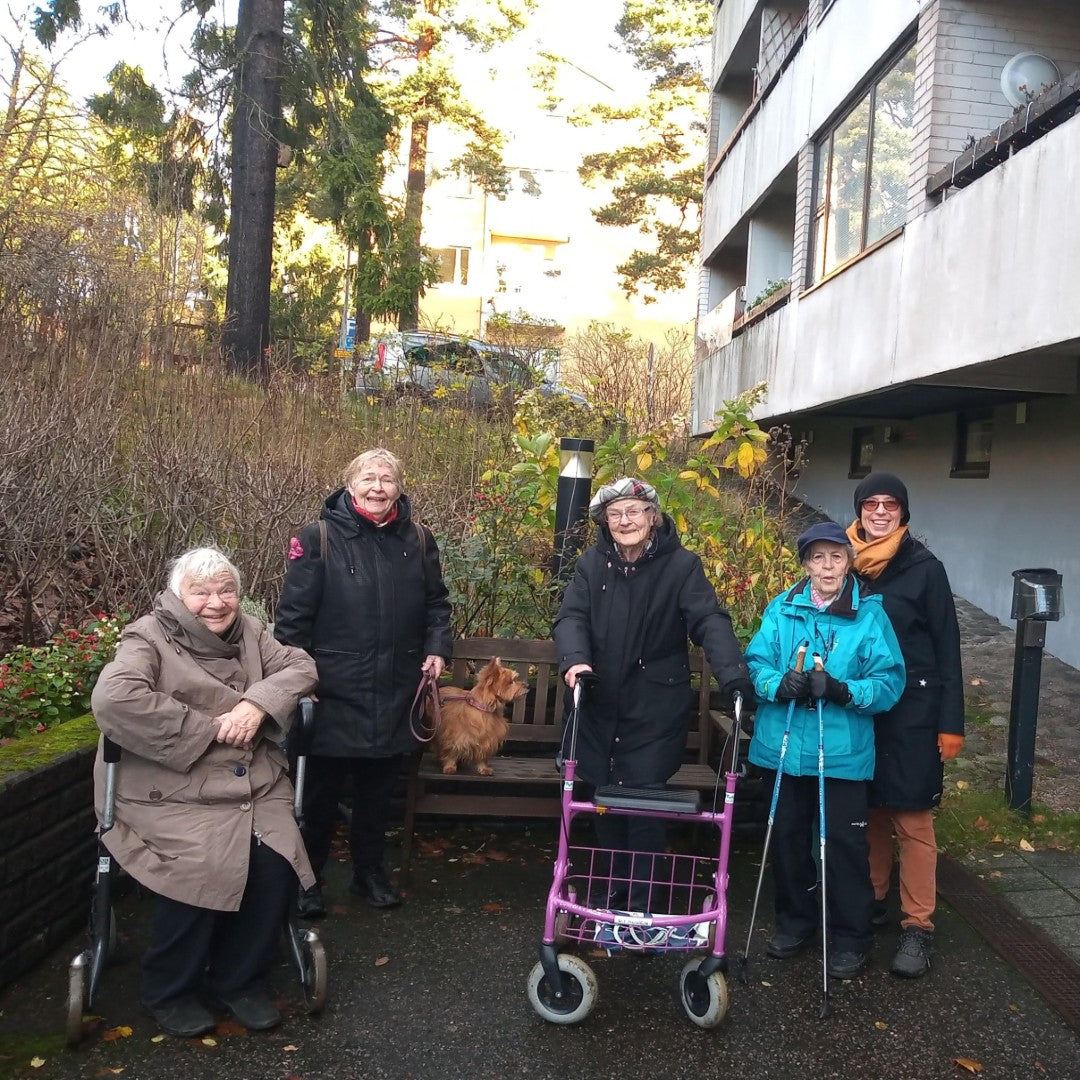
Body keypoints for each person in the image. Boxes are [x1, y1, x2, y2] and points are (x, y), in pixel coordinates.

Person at [90, 547, 318, 1037]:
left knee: (275, 860)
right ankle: (169, 988)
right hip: (171, 787)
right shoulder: (147, 637)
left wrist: (257, 705)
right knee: (203, 866)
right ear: (177, 595)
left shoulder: (252, 632)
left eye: (226, 590)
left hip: (253, 781)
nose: (216, 603)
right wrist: (210, 729)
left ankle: (240, 980)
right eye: (201, 592)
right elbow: (114, 697)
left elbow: (301, 667)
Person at [552, 477, 753, 911]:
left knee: (643, 807)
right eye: (615, 514)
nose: (625, 521)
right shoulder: (592, 564)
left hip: (653, 710)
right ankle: (609, 899)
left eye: (634, 511)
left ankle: (640, 907)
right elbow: (571, 618)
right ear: (605, 523)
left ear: (652, 516)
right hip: (600, 704)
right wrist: (575, 659)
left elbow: (708, 620)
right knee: (603, 802)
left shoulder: (681, 566)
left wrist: (734, 675)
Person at [275, 448, 452, 916]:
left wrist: (437, 649)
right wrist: (298, 681)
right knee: (316, 797)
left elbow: (438, 604)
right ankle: (306, 881)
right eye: (369, 478)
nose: (378, 487)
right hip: (329, 692)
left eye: (387, 479)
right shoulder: (318, 539)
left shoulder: (419, 539)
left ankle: (368, 874)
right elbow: (292, 622)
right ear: (350, 485)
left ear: (399, 486)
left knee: (378, 796)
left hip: (395, 691)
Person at [746, 521, 905, 979]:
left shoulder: (869, 615)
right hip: (784, 747)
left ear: (849, 562)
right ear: (806, 563)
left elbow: (889, 682)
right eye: (818, 557)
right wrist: (779, 684)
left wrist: (842, 690)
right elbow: (756, 662)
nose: (828, 566)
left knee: (842, 846)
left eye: (837, 556)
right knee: (789, 840)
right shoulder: (782, 608)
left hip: (841, 754)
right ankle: (796, 922)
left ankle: (851, 936)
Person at [846, 471, 965, 978]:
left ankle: (918, 925)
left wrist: (950, 723)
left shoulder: (924, 568)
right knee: (870, 808)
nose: (879, 511)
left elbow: (947, 648)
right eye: (870, 503)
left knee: (912, 817)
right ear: (858, 510)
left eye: (889, 504)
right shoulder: (843, 563)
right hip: (861, 705)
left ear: (903, 512)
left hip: (914, 712)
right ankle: (873, 901)